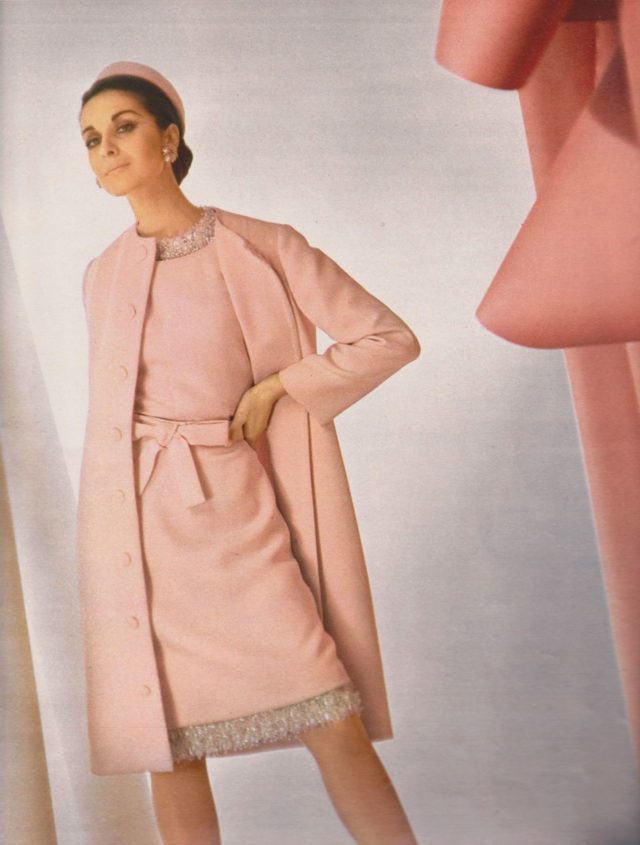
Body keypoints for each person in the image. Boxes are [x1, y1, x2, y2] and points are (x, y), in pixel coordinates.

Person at [77, 60, 421, 845]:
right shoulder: (101, 276)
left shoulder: (263, 245)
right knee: (169, 747)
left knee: (331, 714)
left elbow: (388, 337)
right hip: (143, 536)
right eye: (92, 139)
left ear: (170, 138)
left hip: (238, 515)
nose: (107, 148)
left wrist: (281, 386)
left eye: (124, 127)